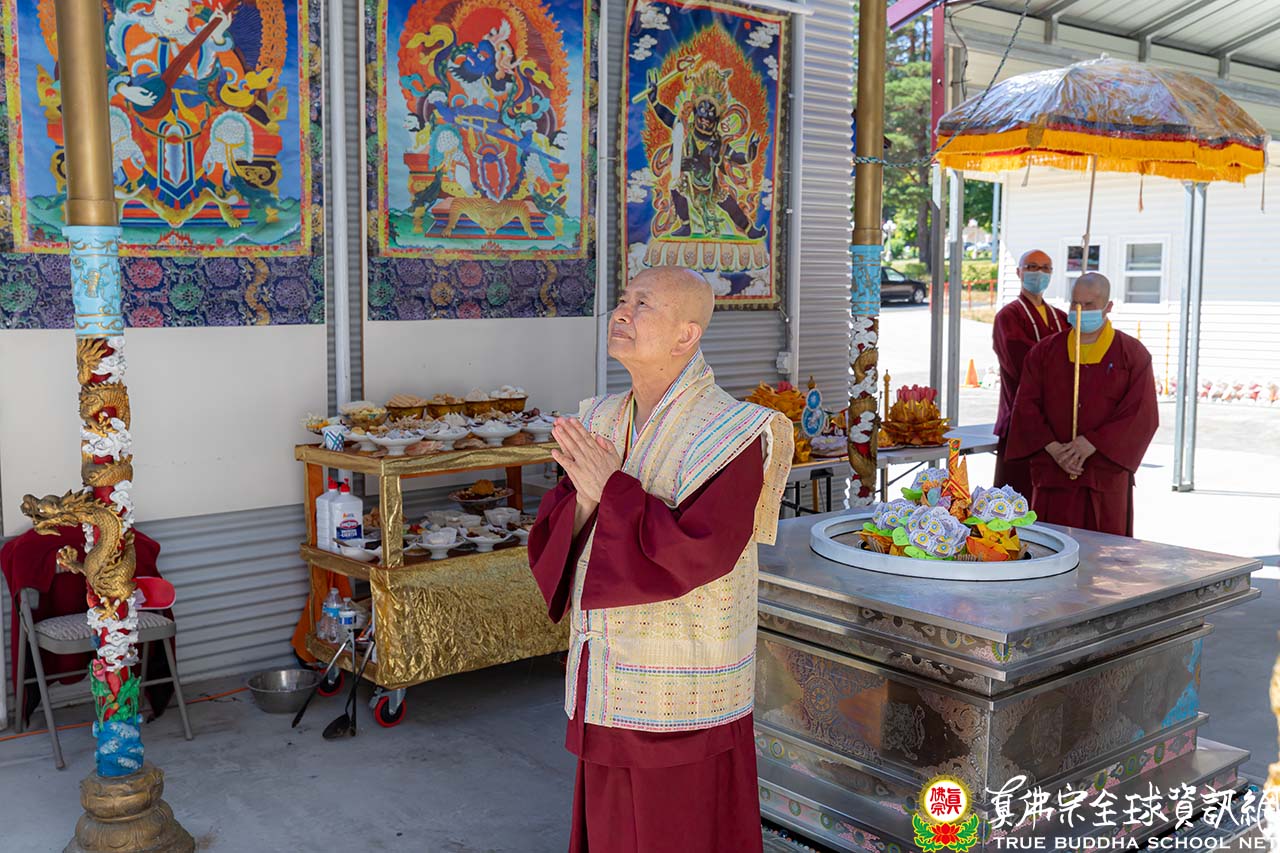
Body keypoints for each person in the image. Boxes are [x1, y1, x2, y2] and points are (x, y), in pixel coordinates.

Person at [528, 266, 793, 853]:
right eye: (623, 300)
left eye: (643, 304)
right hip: (607, 675)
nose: (621, 313)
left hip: (685, 686)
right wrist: (590, 498)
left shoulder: (736, 432)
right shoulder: (599, 419)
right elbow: (558, 528)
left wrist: (611, 490)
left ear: (686, 335)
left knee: (681, 831)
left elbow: (700, 553)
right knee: (610, 829)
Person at [1006, 273, 1158, 536]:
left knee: (1104, 551)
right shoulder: (1044, 352)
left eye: (1089, 305)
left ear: (1108, 307)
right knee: (1053, 546)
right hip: (1054, 473)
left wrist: (1091, 443)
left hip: (1104, 475)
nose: (1080, 311)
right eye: (1075, 304)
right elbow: (1026, 407)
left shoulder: (1131, 354)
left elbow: (1140, 414)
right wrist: (1054, 448)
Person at [992, 249, 1068, 497]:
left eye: (1046, 268)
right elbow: (1020, 364)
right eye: (1032, 267)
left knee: (1050, 501)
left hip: (1057, 425)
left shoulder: (1061, 318)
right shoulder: (1008, 317)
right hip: (1021, 422)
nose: (1039, 273)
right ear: (1019, 272)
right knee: (1016, 499)